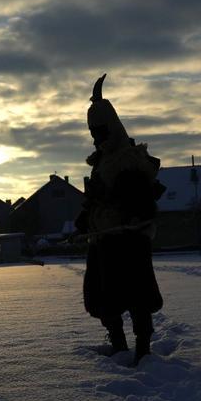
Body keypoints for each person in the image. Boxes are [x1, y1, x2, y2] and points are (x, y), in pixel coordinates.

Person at [75, 74, 165, 365]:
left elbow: (140, 200)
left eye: (100, 131)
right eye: (93, 132)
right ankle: (119, 344)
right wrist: (84, 218)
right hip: (104, 239)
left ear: (112, 128)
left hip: (128, 239)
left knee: (137, 297)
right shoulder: (102, 162)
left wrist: (130, 211)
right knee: (104, 296)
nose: (96, 138)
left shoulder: (127, 160)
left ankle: (143, 349)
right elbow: (96, 198)